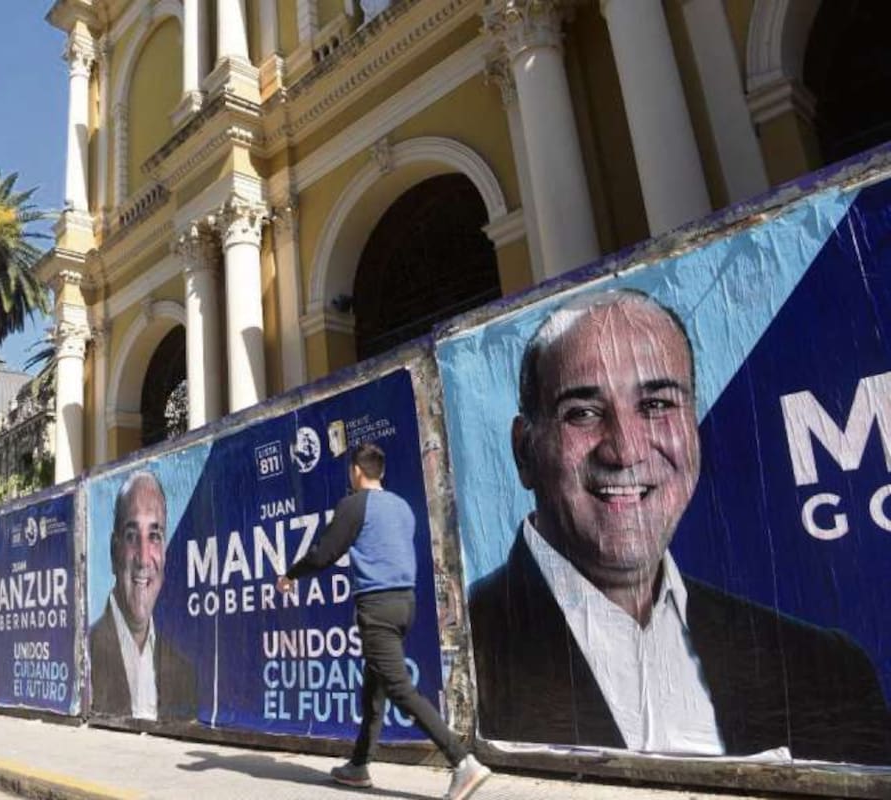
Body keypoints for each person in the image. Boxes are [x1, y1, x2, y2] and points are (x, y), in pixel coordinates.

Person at [469, 289, 891, 764]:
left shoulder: (827, 669)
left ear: (692, 424)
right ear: (525, 450)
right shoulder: (454, 667)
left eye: (656, 405)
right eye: (583, 413)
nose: (625, 451)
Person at [277, 443, 491, 800]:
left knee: (398, 688)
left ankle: (462, 761)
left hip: (377, 608)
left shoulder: (354, 505)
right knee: (374, 691)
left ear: (356, 472)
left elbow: (325, 553)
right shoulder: (402, 508)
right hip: (405, 605)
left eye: (351, 471)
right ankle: (358, 766)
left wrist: (291, 575)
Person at [88, 470, 196, 720]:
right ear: (114, 552)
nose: (144, 558)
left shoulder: (185, 673)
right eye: (132, 536)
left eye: (155, 536)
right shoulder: (85, 655)